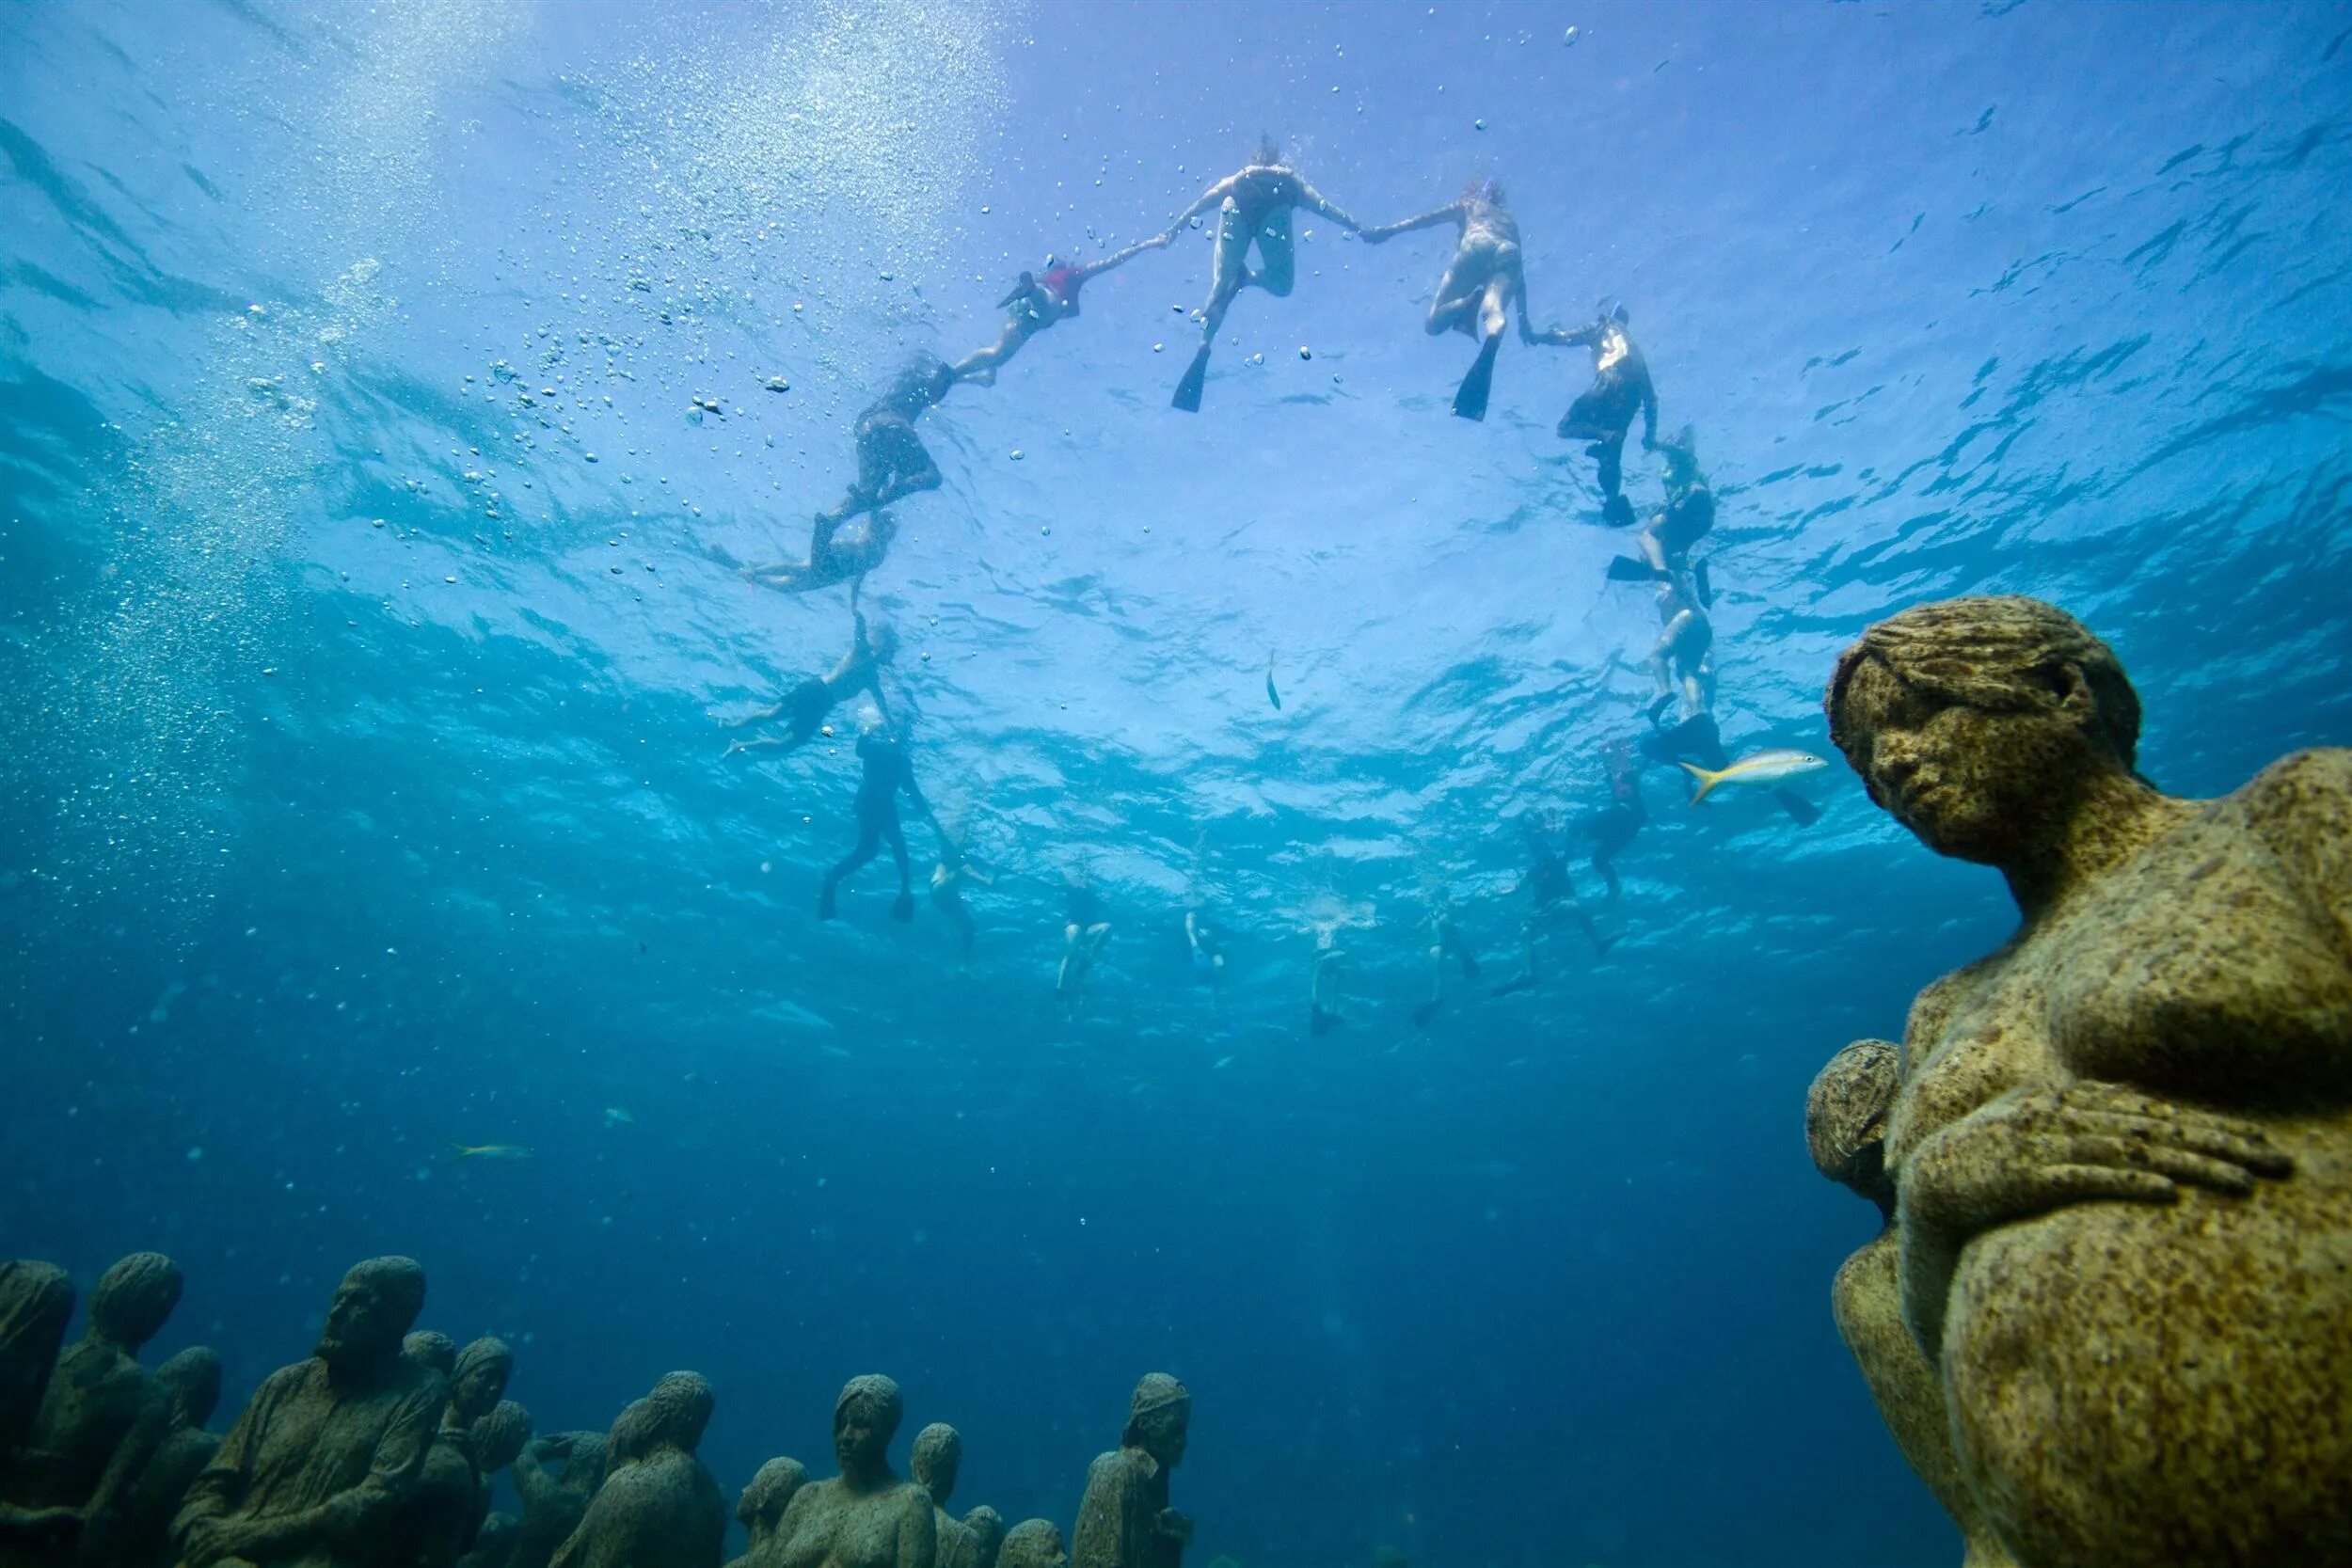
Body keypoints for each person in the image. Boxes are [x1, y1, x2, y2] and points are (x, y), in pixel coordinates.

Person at [1822, 594, 2352, 1566]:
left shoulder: (2292, 815)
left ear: (2063, 690)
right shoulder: (1942, 1011)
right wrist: (1946, 1182)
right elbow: (1922, 1329)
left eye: (1918, 714)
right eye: (1865, 759)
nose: (1891, 765)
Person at [1158, 137, 1367, 410]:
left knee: (1220, 283)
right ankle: (1247, 278)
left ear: (1253, 159)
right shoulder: (1289, 177)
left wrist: (1172, 231)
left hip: (1237, 202)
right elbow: (1325, 207)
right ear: (1278, 160)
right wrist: (1358, 227)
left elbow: (1201, 204)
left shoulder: (1240, 176)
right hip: (1277, 206)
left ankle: (1204, 345)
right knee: (1282, 284)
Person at [1359, 179, 1539, 420]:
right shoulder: (1510, 224)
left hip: (1477, 245)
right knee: (1494, 307)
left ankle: (1467, 303)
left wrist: (1387, 231)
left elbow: (1426, 220)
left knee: (1433, 324)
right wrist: (1525, 322)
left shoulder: (1469, 205)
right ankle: (1495, 332)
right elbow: (1520, 279)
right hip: (1509, 250)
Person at [954, 234, 1171, 386]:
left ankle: (952, 374)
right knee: (1045, 304)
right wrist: (1148, 244)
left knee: (997, 355)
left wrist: (989, 373)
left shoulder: (1047, 276)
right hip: (1046, 302)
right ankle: (1032, 291)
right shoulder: (1074, 274)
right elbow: (1111, 262)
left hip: (1023, 313)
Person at [1530, 304, 1656, 523]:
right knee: (1611, 455)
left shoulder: (1604, 325)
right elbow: (1652, 400)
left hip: (1611, 378)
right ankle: (1614, 504)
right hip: (1632, 397)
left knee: (1565, 428)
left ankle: (1602, 436)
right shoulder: (1635, 349)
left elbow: (1568, 337)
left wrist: (1537, 337)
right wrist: (1650, 436)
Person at [724, 608, 898, 758]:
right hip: (816, 689)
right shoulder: (862, 652)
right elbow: (860, 627)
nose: (892, 656)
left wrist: (892, 728)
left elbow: (881, 704)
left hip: (824, 705)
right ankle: (733, 725)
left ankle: (740, 745)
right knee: (773, 715)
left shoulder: (872, 678)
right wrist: (857, 608)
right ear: (883, 646)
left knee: (787, 745)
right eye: (891, 650)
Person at [819, 713, 937, 924]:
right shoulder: (887, 752)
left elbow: (910, 787)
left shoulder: (898, 757)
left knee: (870, 851)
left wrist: (923, 810)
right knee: (897, 849)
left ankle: (834, 877)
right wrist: (868, 729)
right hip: (877, 804)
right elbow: (862, 750)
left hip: (873, 803)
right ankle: (904, 893)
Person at [1491, 811, 1607, 995]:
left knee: (1574, 908)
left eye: (1543, 850)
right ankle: (1529, 974)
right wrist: (1499, 892)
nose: (1542, 853)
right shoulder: (1535, 870)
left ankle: (1598, 942)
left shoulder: (1558, 861)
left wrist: (1569, 831)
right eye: (1539, 851)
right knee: (1525, 931)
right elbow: (1516, 889)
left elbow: (1570, 848)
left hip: (1562, 903)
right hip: (1546, 910)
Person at [1645, 570, 1715, 732]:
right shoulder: (1677, 577)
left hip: (1687, 617)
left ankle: (1665, 692)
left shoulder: (1668, 573)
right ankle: (1698, 713)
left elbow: (1673, 571)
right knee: (1687, 672)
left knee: (1657, 655)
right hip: (1702, 625)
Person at [1582, 739, 1647, 901]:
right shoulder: (1614, 779)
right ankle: (1614, 886)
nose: (1618, 787)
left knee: (1587, 826)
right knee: (1598, 859)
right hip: (1620, 830)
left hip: (1628, 819)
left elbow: (1624, 775)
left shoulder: (1627, 778)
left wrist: (1621, 755)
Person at [1411, 893, 1480, 1029]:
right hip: (1439, 942)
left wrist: (1470, 901)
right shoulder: (1434, 914)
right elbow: (1417, 927)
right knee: (1435, 967)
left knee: (1437, 962)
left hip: (1447, 942)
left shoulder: (1447, 908)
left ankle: (1435, 998)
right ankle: (1435, 998)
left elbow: (1462, 907)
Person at [929, 838, 995, 966]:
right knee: (965, 869)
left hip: (945, 900)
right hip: (939, 888)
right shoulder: (948, 860)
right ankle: (989, 880)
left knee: (969, 926)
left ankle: (964, 965)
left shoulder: (954, 858)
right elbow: (955, 854)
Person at [1056, 876, 1112, 1018]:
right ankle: (1060, 987)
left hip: (1089, 929)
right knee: (1071, 951)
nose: (1086, 883)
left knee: (1107, 927)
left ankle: (1086, 962)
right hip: (1073, 925)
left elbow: (1108, 911)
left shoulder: (1094, 897)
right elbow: (1058, 888)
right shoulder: (1071, 889)